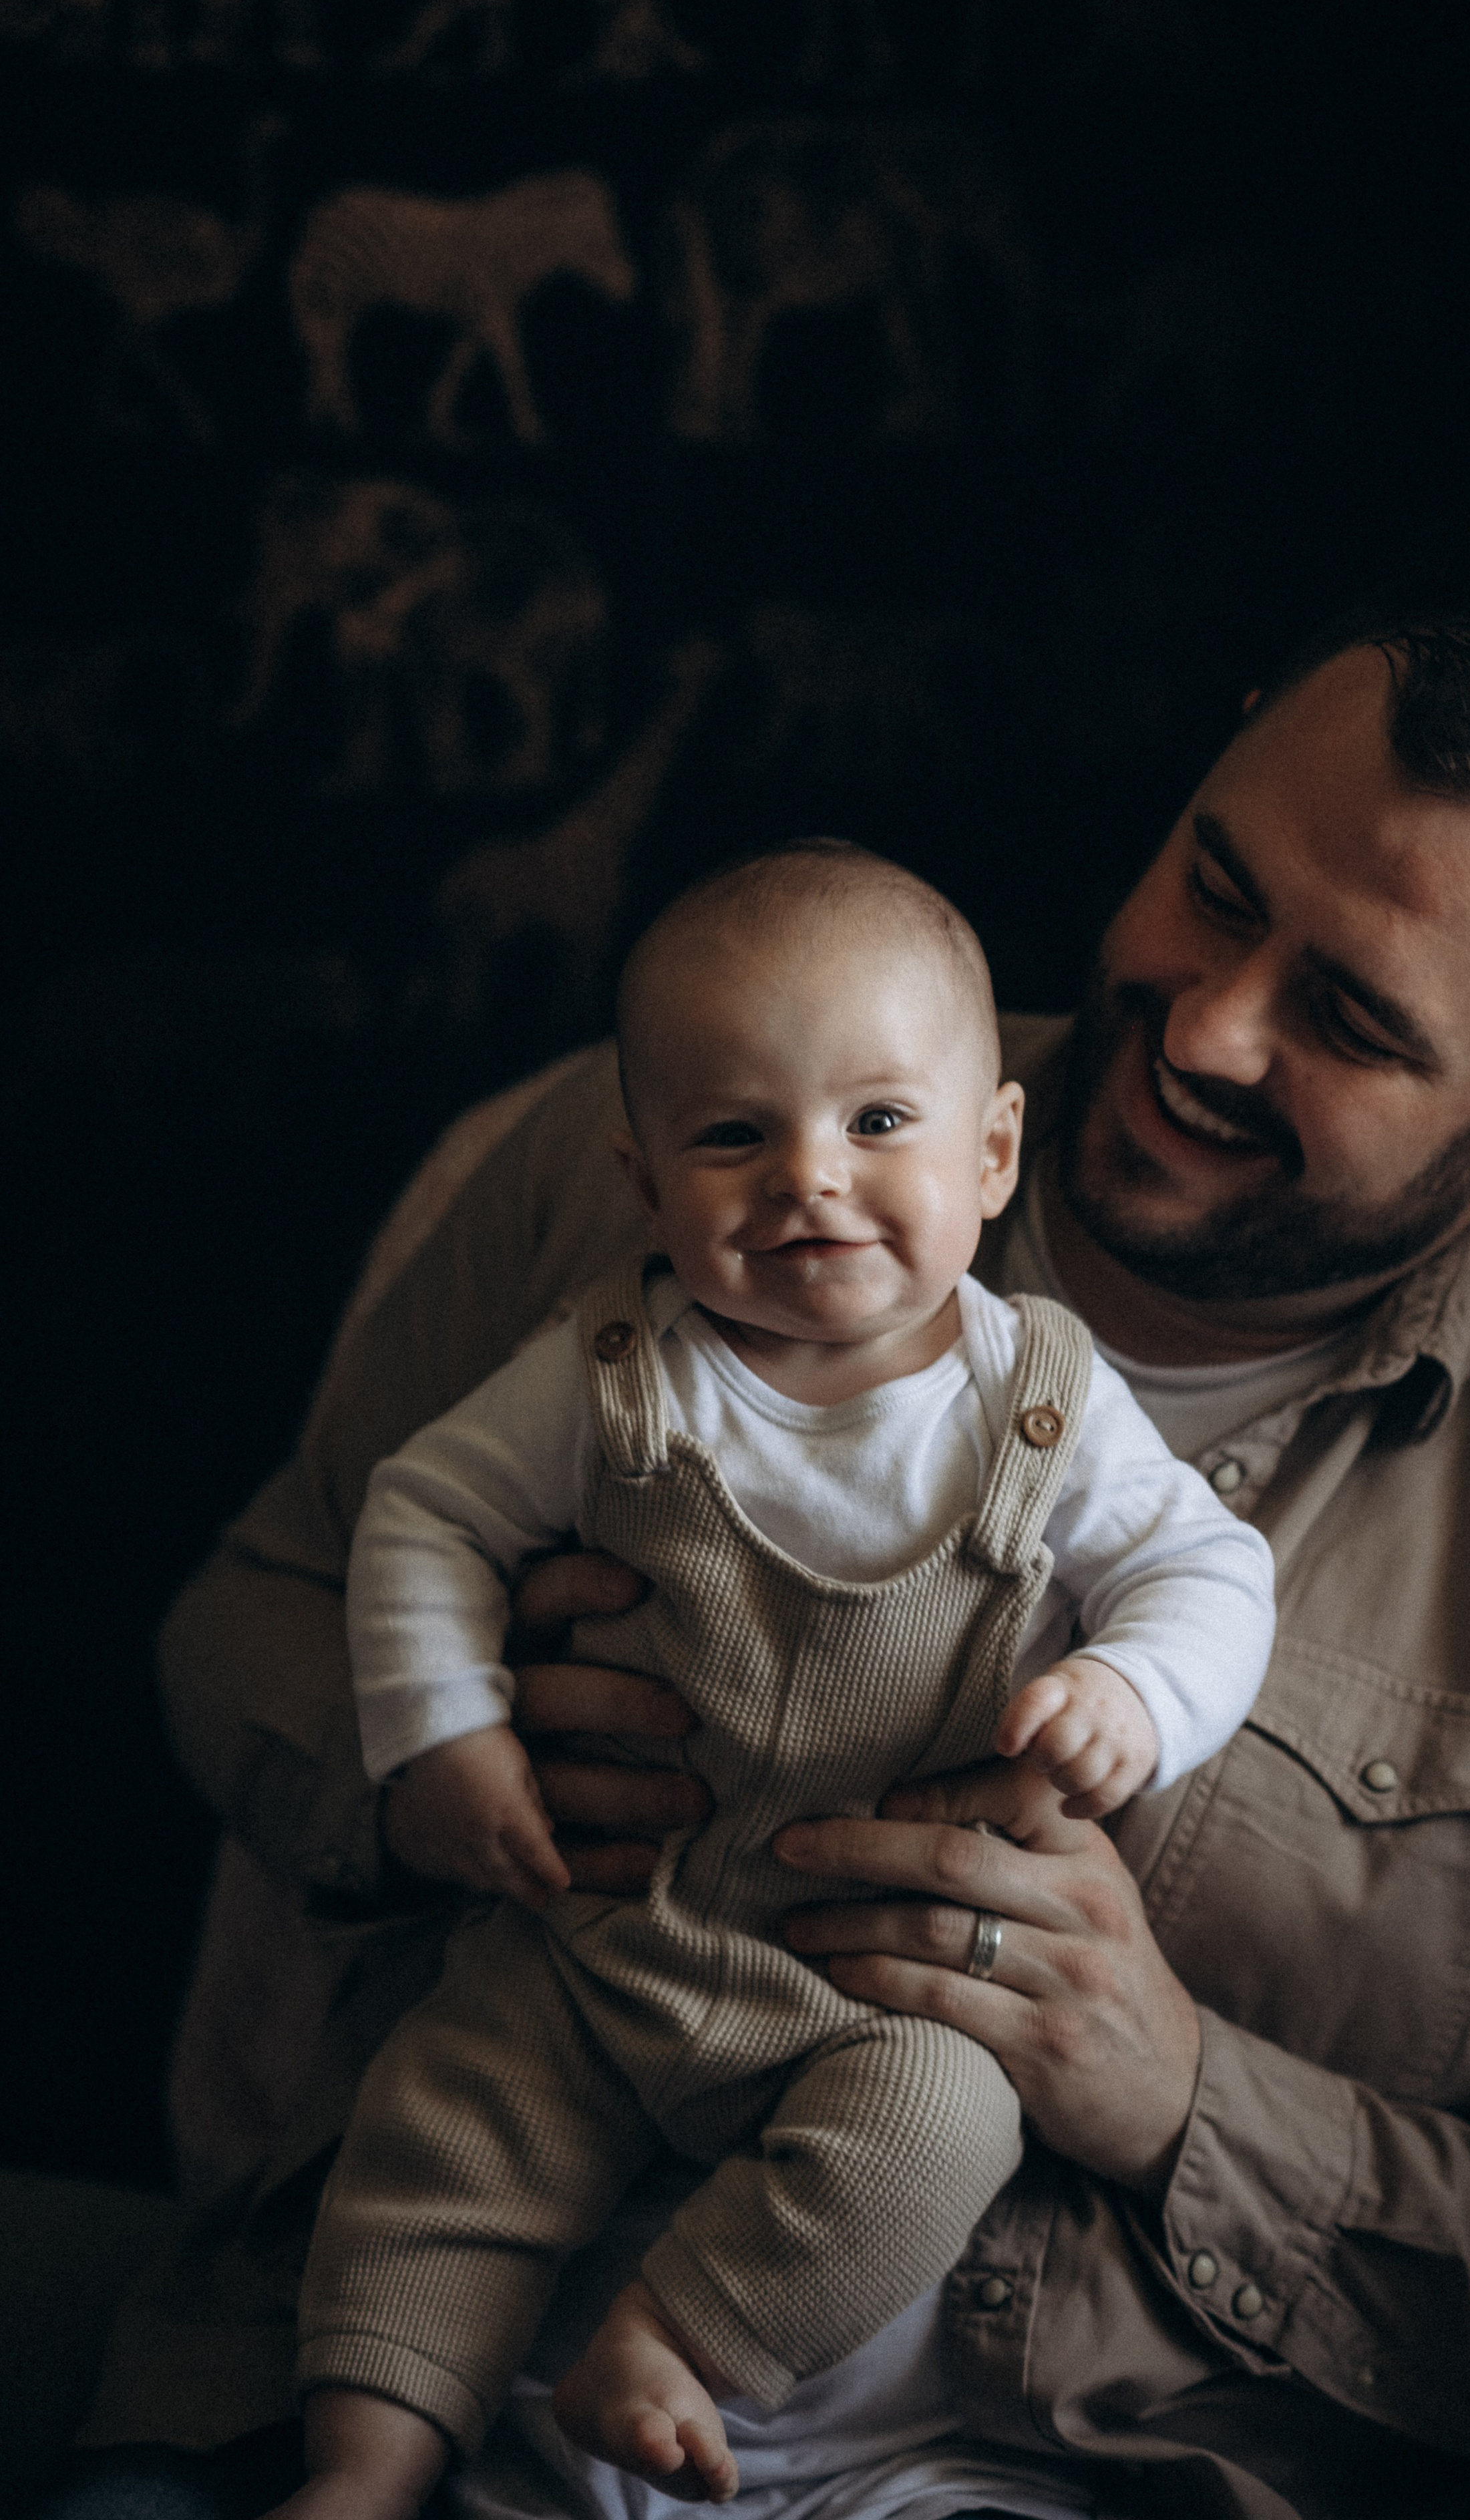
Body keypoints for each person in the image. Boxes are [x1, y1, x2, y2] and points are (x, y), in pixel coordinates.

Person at [69, 602, 1470, 2520]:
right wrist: (434, 1753)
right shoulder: (682, 1121)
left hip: (1012, 2470)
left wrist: (1190, 2096)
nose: (1201, 1025)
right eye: (1214, 881)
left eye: (1350, 1017)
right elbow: (240, 1615)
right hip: (363, 2366)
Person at [275, 847, 1273, 2516]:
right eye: (733, 1134)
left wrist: (1136, 1690)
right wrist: (442, 1728)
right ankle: (363, 2468)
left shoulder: (1039, 1398)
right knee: (443, 2131)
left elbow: (1208, 1570)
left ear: (992, 1153)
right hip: (610, 1930)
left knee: (945, 2128)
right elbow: (426, 1513)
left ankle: (676, 2339)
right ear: (644, 1176)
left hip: (866, 1989)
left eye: (878, 1123)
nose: (808, 1178)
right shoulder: (608, 1369)